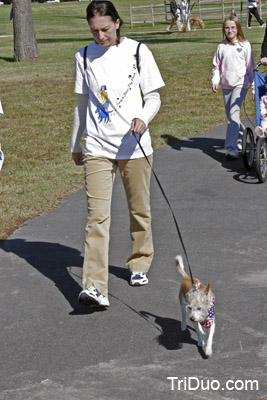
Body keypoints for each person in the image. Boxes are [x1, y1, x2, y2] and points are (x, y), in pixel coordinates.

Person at [70, 0, 165, 308]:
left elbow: (153, 97)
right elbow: (81, 105)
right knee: (96, 217)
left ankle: (139, 261)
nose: (100, 37)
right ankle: (95, 286)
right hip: (97, 146)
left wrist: (144, 118)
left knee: (139, 208)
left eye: (106, 29)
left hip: (134, 146)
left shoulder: (138, 52)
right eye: (94, 31)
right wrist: (76, 143)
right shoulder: (83, 56)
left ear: (118, 23)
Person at [211, 16, 255, 160]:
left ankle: (231, 149)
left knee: (233, 116)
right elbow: (216, 66)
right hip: (226, 85)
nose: (230, 30)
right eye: (227, 28)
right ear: (224, 30)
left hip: (240, 85)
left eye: (233, 27)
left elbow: (250, 68)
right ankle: (241, 135)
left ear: (238, 29)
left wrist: (253, 87)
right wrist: (215, 80)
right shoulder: (221, 47)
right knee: (231, 116)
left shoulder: (245, 46)